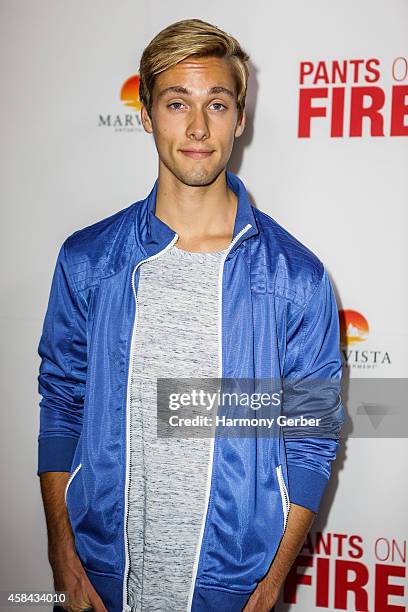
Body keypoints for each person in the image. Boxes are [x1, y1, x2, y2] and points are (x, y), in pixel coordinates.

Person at [37, 18, 345, 612]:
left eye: (218, 104)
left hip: (230, 589)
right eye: (177, 103)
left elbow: (312, 437)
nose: (198, 127)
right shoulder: (88, 260)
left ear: (240, 118)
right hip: (100, 584)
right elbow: (62, 404)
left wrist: (272, 583)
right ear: (147, 114)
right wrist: (63, 560)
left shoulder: (296, 279)